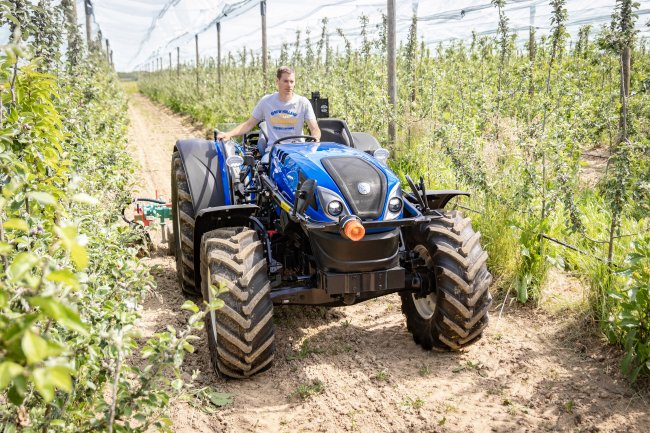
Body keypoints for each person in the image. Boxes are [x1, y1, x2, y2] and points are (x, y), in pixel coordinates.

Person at [216, 66, 321, 149]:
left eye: (291, 81)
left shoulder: (303, 102)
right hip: (273, 151)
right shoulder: (266, 101)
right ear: (277, 81)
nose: (289, 85)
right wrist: (229, 134)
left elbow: (314, 128)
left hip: (298, 151)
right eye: (285, 81)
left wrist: (315, 140)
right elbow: (249, 124)